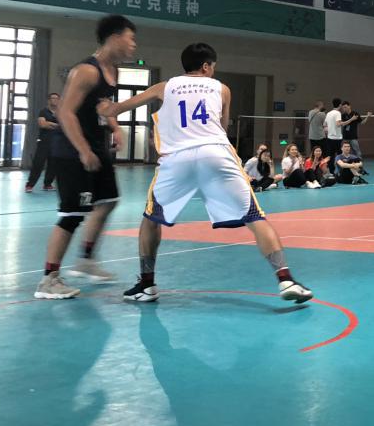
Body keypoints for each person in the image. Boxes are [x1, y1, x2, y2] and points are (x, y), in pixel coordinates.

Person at [100, 42, 312, 304]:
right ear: (205, 66)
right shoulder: (222, 89)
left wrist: (102, 105)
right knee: (255, 218)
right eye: (213, 66)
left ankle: (147, 284)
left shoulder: (164, 87)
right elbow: (223, 126)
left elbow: (116, 109)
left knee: (151, 220)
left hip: (177, 160)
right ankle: (286, 279)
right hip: (216, 154)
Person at [34, 16, 133, 299]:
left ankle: (86, 260)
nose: (133, 45)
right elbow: (66, 112)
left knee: (108, 200)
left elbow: (102, 107)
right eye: (130, 38)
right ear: (114, 37)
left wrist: (115, 127)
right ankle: (48, 279)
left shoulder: (113, 71)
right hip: (72, 150)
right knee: (71, 215)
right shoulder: (86, 71)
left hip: (96, 147)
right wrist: (83, 150)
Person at [25, 92, 61, 192]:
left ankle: (47, 184)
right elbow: (42, 124)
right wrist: (56, 125)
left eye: (57, 98)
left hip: (56, 143)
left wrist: (49, 123)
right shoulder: (43, 112)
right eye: (53, 98)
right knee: (38, 163)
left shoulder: (61, 113)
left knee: (53, 164)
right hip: (44, 142)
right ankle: (29, 185)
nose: (55, 100)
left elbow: (64, 125)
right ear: (49, 100)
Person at [323, 98, 343, 174]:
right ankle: (341, 171)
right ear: (340, 105)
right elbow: (338, 124)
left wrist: (329, 130)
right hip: (337, 138)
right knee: (340, 155)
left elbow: (324, 125)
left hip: (329, 138)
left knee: (331, 156)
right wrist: (346, 122)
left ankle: (332, 172)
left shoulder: (328, 113)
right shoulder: (338, 113)